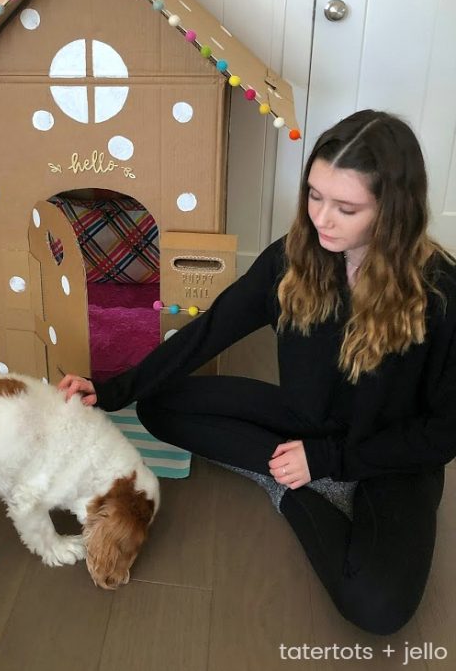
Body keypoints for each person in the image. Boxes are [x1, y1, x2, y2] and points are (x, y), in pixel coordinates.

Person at [58, 109, 456, 635]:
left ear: (394, 209)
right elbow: (210, 330)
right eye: (314, 196)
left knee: (378, 609)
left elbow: (441, 434)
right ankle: (290, 478)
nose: (322, 219)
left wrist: (332, 459)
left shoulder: (439, 294)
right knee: (157, 405)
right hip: (303, 422)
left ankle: (300, 481)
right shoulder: (292, 260)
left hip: (388, 454)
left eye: (346, 207)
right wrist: (112, 390)